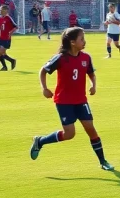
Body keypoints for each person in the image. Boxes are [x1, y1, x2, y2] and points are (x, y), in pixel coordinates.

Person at [29, 27, 113, 171]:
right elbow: (43, 71)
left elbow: (91, 74)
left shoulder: (86, 58)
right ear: (72, 42)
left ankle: (103, 161)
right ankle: (40, 141)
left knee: (91, 129)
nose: (84, 42)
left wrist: (93, 85)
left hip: (81, 101)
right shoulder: (61, 58)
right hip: (64, 102)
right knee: (69, 134)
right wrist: (44, 88)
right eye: (82, 39)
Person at [0, 5, 18, 71]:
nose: (1, 11)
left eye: (2, 10)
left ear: (6, 11)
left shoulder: (8, 18)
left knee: (2, 52)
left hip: (6, 38)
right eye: (0, 10)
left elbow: (16, 27)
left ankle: (12, 61)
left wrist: (10, 33)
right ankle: (4, 67)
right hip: (1, 38)